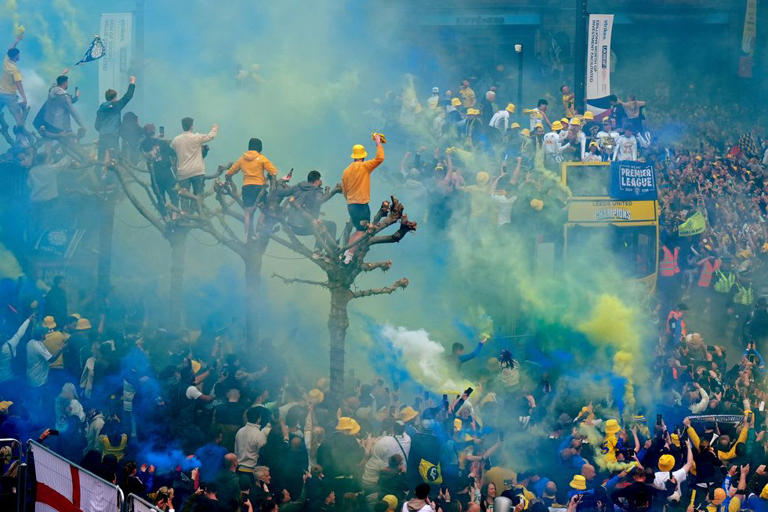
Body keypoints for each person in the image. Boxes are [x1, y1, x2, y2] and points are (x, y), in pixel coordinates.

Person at [340, 133, 384, 264]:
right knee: (363, 232)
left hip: (351, 205)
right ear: (363, 156)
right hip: (361, 205)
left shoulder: (346, 171)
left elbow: (344, 190)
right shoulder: (365, 166)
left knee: (357, 230)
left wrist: (350, 199)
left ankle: (345, 252)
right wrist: (378, 142)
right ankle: (349, 256)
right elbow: (380, 158)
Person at [225, 137, 278, 238]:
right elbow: (273, 171)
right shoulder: (262, 158)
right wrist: (272, 181)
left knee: (247, 213)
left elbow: (231, 171)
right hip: (259, 188)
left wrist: (228, 177)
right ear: (260, 147)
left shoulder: (242, 159)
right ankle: (259, 227)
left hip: (247, 188)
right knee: (264, 208)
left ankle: (248, 234)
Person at [282, 170, 339, 252]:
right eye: (319, 180)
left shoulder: (298, 186)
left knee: (321, 223)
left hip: (292, 226)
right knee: (331, 225)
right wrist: (332, 191)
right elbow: (320, 200)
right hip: (303, 226)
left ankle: (319, 250)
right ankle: (322, 250)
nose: (321, 181)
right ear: (316, 181)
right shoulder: (316, 190)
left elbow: (291, 197)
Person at [171, 116, 218, 205]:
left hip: (183, 173)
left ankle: (185, 216)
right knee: (198, 195)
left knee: (184, 197)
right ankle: (196, 213)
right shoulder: (197, 137)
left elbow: (172, 150)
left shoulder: (176, 140)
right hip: (197, 171)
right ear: (192, 126)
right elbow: (210, 136)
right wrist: (215, 128)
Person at [95, 76, 136, 165]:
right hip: (112, 136)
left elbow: (96, 126)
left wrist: (102, 130)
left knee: (100, 160)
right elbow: (128, 96)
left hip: (102, 136)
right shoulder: (116, 105)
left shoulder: (101, 109)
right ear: (115, 97)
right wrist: (132, 82)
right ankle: (112, 177)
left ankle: (99, 176)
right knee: (113, 160)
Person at [140, 124, 178, 219]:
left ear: (144, 133)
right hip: (167, 174)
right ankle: (174, 217)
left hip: (155, 177)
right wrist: (175, 166)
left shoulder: (142, 145)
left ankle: (167, 219)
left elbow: (143, 154)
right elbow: (173, 153)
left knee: (161, 199)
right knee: (174, 195)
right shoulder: (162, 143)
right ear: (154, 131)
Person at [0, 32, 26, 127]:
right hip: (10, 96)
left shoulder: (6, 60)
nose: (19, 56)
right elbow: (19, 85)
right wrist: (24, 98)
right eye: (18, 55)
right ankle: (21, 136)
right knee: (18, 116)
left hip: (0, 92)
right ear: (15, 57)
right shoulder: (15, 70)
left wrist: (17, 40)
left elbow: (10, 49)